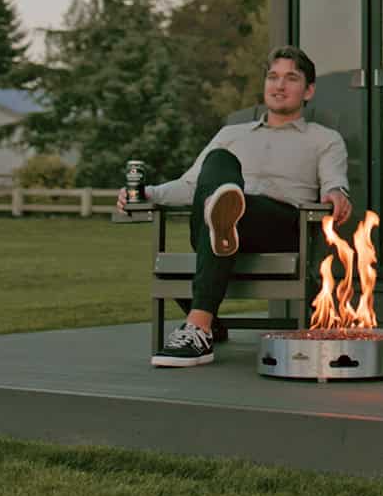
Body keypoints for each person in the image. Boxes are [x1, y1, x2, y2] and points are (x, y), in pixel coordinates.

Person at [117, 45, 352, 368]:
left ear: (308, 90)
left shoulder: (324, 138)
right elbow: (189, 185)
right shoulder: (231, 134)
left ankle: (199, 328)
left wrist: (337, 194)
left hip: (277, 225)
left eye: (291, 78)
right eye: (273, 77)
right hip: (222, 227)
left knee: (225, 207)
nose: (279, 85)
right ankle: (221, 212)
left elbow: (334, 183)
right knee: (219, 162)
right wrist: (146, 194)